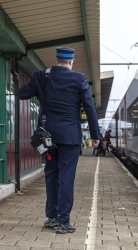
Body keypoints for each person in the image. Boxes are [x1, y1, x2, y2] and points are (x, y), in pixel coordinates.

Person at [18, 47, 101, 234]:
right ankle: (63, 222)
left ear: (56, 59)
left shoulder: (41, 76)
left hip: (46, 136)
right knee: (66, 177)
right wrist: (95, 136)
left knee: (51, 174)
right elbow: (89, 108)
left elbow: (22, 94)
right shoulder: (78, 78)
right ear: (71, 62)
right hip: (70, 137)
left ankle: (51, 217)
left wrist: (38, 88)